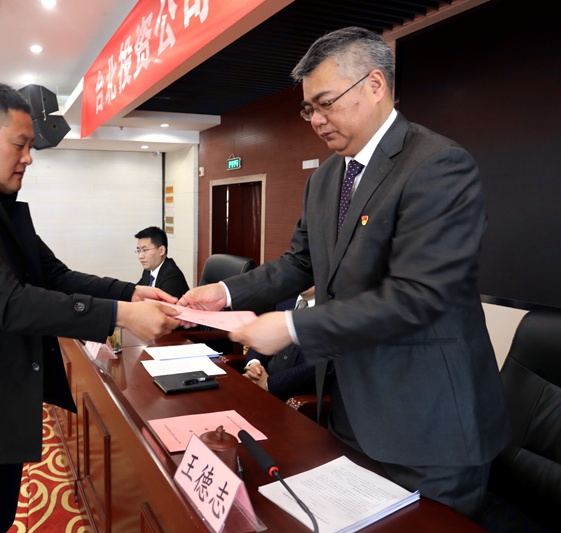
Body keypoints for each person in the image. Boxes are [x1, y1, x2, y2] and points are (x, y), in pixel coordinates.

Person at [179, 27, 510, 521]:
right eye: (308, 109)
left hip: (429, 425)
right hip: (350, 410)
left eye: (326, 103)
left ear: (375, 85)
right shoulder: (326, 177)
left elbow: (418, 296)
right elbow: (300, 262)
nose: (316, 120)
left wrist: (291, 326)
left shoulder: (437, 165)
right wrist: (225, 292)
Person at [0, 83, 180, 533]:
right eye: (20, 144)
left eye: (30, 146)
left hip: (1, 405)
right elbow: (10, 303)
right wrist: (120, 317)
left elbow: (53, 275)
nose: (29, 158)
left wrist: (130, 293)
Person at [243, 287, 317, 402]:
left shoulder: (331, 314)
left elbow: (319, 366)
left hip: (294, 398)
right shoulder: (286, 299)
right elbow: (264, 334)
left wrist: (268, 384)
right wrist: (254, 364)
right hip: (260, 382)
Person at [135, 226, 190, 298]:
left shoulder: (172, 275)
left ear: (161, 250)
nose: (140, 256)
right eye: (138, 251)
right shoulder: (148, 271)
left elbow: (159, 304)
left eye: (145, 250)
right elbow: (135, 291)